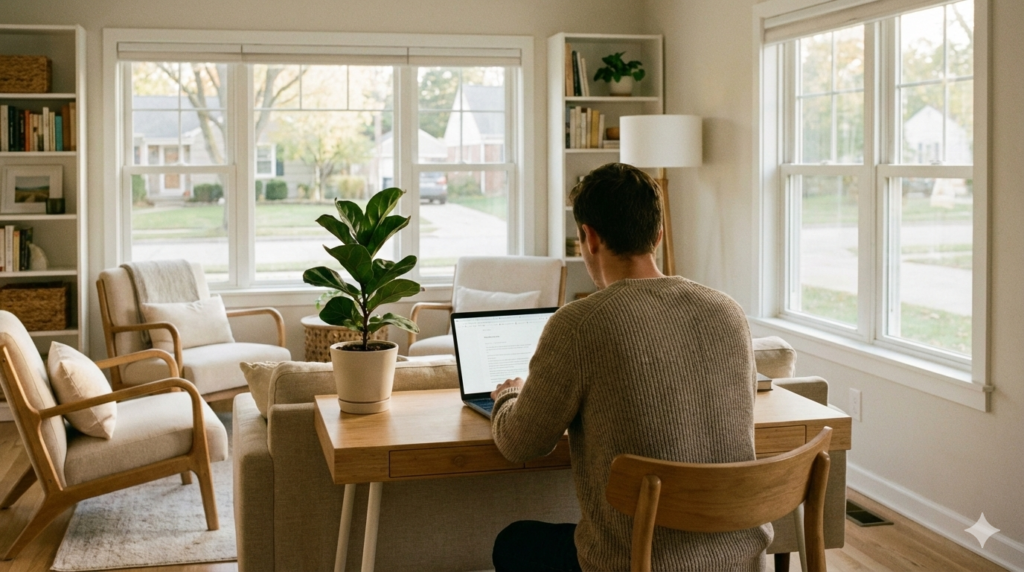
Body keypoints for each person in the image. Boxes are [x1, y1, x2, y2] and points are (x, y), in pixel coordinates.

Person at [489, 163, 772, 572]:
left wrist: (510, 395)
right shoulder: (727, 311)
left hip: (635, 562)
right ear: (657, 235)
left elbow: (521, 444)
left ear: (588, 237)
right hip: (738, 560)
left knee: (514, 543)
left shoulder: (580, 324)